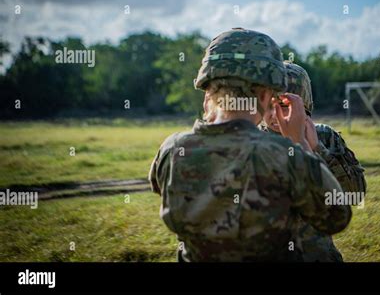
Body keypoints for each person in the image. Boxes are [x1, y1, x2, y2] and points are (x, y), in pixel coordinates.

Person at [148, 28, 351, 261]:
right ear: (266, 95)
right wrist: (301, 143)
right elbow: (336, 216)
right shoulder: (283, 156)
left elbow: (162, 187)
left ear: (207, 89)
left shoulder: (172, 149)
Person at [261, 61, 366, 261]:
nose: (275, 115)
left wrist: (318, 151)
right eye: (269, 105)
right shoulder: (253, 141)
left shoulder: (324, 137)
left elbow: (355, 194)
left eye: (284, 106)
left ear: (304, 106)